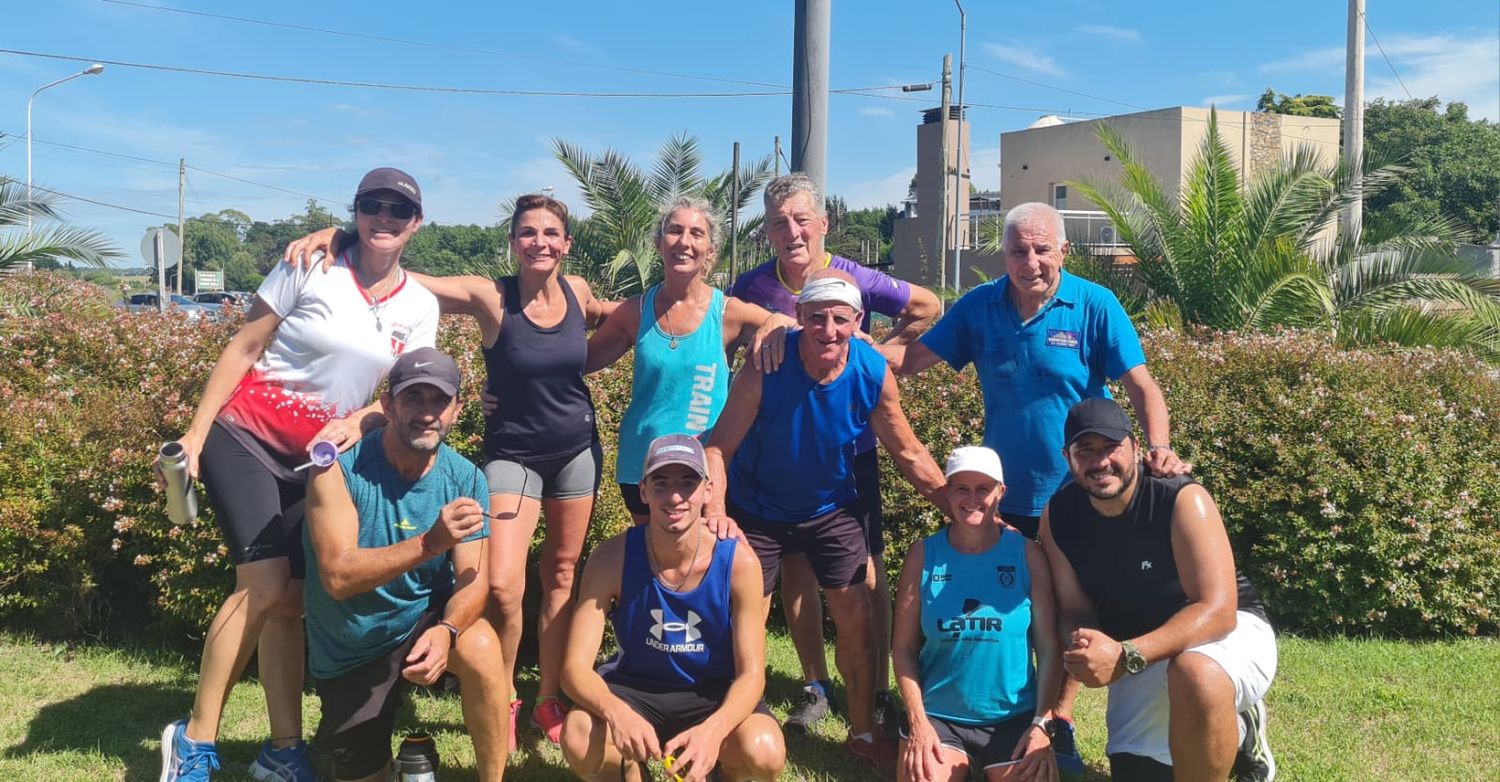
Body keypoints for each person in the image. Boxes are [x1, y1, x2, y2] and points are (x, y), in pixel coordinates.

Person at [284, 194, 610, 746]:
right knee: (504, 586)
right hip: (515, 453)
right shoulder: (492, 297)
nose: (540, 243)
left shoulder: (578, 292)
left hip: (578, 449)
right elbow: (410, 277)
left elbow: (618, 319)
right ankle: (502, 695)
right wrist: (346, 242)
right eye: (528, 233)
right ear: (512, 241)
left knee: (560, 577)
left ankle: (549, 699)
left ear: (567, 244)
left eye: (552, 233)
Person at [878, 201, 1190, 768]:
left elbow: (1142, 387)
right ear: (1005, 255)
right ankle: (983, 719)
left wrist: (1159, 445)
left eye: (1043, 248)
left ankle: (1057, 722)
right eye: (1019, 250)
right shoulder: (979, 307)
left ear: (1063, 251)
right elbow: (913, 358)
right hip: (997, 500)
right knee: (1001, 620)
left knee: (1070, 616)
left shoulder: (1095, 305)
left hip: (1074, 502)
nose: (1031, 261)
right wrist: (845, 353)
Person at [158, 167, 438, 782]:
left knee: (288, 602)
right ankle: (194, 739)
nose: (384, 218)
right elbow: (244, 347)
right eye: (372, 205)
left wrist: (362, 421)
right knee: (260, 584)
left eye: (398, 209)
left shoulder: (420, 303)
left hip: (316, 462)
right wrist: (197, 434)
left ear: (416, 223)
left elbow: (394, 396)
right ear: (357, 211)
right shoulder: (306, 264)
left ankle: (282, 750)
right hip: (245, 438)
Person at [704, 276, 946, 769]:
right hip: (758, 508)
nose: (828, 329)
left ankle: (862, 731)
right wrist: (717, 512)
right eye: (817, 316)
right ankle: (736, 722)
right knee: (742, 614)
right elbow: (717, 448)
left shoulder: (873, 371)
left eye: (841, 318)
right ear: (799, 316)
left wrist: (964, 508)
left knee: (856, 614)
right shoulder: (767, 364)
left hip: (831, 508)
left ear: (859, 323)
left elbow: (909, 452)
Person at [732, 172, 942, 734]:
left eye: (803, 219)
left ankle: (871, 694)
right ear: (768, 232)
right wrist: (764, 331)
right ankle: (814, 683)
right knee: (793, 573)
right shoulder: (751, 287)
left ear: (824, 224)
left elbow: (928, 305)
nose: (793, 231)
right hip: (779, 454)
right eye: (780, 222)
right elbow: (717, 341)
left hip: (851, 454)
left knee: (861, 576)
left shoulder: (856, 276)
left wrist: (883, 349)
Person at [1040, 398, 1277, 782]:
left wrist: (1125, 655)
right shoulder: (1058, 516)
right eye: (1085, 450)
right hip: (1142, 645)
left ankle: (1235, 716)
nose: (1100, 462)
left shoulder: (1181, 498)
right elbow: (1074, 607)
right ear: (1068, 457)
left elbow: (1218, 610)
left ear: (1136, 448)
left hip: (1225, 633)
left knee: (1196, 674)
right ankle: (1235, 732)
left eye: (1111, 447)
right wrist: (1085, 644)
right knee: (1137, 773)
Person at [303, 347, 509, 781]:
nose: (428, 413)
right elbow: (338, 578)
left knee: (484, 647)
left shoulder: (467, 478)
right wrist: (430, 543)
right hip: (353, 645)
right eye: (414, 398)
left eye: (440, 401)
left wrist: (447, 631)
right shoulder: (338, 470)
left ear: (457, 408)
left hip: (422, 619)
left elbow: (475, 581)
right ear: (389, 404)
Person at [559, 434, 785, 782]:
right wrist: (616, 713)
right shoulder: (611, 558)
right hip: (634, 690)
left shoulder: (738, 562)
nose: (676, 496)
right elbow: (574, 668)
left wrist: (714, 731)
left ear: (708, 490)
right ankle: (631, 773)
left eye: (688, 482)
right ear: (644, 491)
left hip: (711, 694)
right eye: (661, 483)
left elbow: (752, 675)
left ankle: (718, 772)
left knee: (765, 749)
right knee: (578, 733)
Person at [585, 196, 795, 524]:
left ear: (711, 250)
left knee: (705, 565)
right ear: (658, 243)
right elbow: (574, 364)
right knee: (652, 565)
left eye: (697, 234)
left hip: (704, 472)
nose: (684, 241)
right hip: (643, 467)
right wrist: (506, 385)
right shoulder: (634, 312)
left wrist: (775, 321)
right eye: (674, 230)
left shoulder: (727, 313)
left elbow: (791, 324)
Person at [893, 446, 1060, 782]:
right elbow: (904, 649)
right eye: (961, 488)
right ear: (947, 493)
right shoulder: (923, 555)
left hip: (1014, 717)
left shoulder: (1028, 555)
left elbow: (1048, 647)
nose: (973, 498)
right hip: (939, 716)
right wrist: (918, 721)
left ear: (1001, 493)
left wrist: (1041, 724)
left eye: (983, 488)